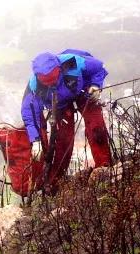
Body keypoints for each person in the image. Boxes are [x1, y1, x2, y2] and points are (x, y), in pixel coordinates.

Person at [21, 49, 112, 192]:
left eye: (53, 78)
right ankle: (55, 183)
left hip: (84, 92)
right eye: (46, 80)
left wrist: (96, 85)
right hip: (60, 105)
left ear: (58, 68)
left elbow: (98, 67)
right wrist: (36, 140)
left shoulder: (73, 62)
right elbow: (29, 113)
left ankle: (105, 167)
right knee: (63, 142)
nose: (51, 82)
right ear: (39, 77)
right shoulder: (35, 86)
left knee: (96, 128)